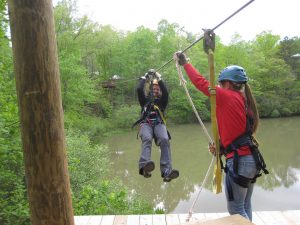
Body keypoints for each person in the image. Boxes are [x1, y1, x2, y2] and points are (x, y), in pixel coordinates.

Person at [174, 32, 268, 220]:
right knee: (244, 206)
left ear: (226, 83)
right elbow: (236, 132)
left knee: (236, 210)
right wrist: (221, 147)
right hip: (250, 158)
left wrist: (185, 63)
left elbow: (202, 84)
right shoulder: (243, 100)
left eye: (221, 83)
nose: (219, 86)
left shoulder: (227, 96)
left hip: (240, 161)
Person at [134, 69, 179, 182]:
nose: (155, 90)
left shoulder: (162, 101)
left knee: (164, 139)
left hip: (159, 124)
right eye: (153, 88)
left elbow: (166, 92)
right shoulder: (144, 101)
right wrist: (145, 78)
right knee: (147, 139)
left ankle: (166, 171)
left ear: (159, 91)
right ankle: (144, 167)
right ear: (150, 89)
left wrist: (159, 78)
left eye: (157, 89)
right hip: (146, 124)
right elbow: (139, 89)